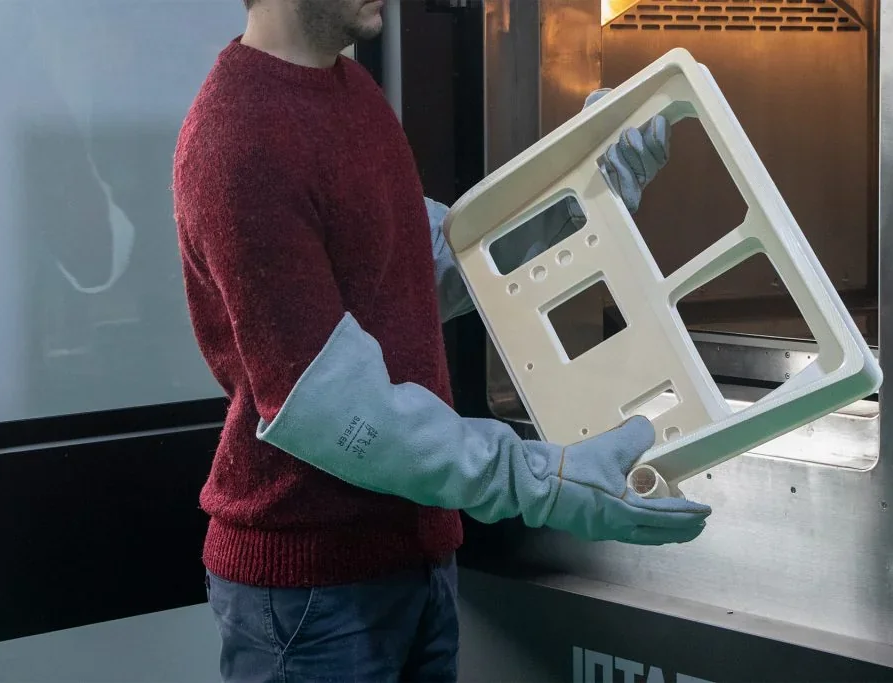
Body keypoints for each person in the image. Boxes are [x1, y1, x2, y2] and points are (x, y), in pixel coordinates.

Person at [172, 1, 711, 681]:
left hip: (414, 563)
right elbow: (335, 411)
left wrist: (587, 190)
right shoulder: (238, 140)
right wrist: (545, 478)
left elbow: (426, 266)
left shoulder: (351, 91)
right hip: (311, 599)